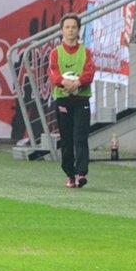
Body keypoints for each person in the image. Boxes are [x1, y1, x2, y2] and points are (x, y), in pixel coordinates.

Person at [47, 13, 96, 188]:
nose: (70, 30)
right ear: (62, 30)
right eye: (67, 27)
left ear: (79, 30)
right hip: (63, 100)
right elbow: (53, 73)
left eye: (74, 27)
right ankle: (70, 174)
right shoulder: (55, 53)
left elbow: (89, 72)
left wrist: (77, 83)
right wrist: (63, 82)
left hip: (81, 99)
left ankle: (81, 173)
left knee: (80, 137)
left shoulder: (86, 52)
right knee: (66, 139)